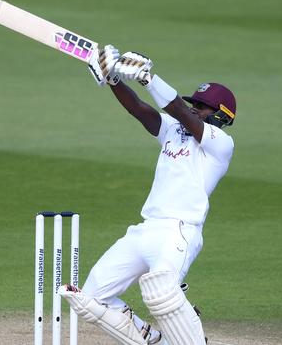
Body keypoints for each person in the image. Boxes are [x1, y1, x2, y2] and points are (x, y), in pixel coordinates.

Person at [59, 45, 237, 345]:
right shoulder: (173, 130)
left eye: (203, 107)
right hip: (145, 229)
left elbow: (177, 108)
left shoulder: (221, 144)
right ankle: (153, 340)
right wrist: (114, 79)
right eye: (194, 103)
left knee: (162, 292)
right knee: (90, 297)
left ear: (221, 116)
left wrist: (148, 78)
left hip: (179, 232)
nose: (194, 108)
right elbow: (139, 110)